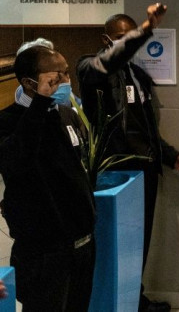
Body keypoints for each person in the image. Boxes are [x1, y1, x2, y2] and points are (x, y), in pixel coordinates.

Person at [77, 3, 179, 312]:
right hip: (116, 172)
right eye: (121, 37)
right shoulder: (91, 70)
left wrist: (169, 156)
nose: (129, 42)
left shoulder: (138, 74)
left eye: (132, 36)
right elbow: (110, 61)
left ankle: (135, 299)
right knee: (118, 242)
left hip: (144, 168)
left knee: (139, 240)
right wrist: (145, 30)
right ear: (106, 40)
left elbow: (145, 128)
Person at [0, 45, 96, 310]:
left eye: (66, 74)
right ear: (30, 84)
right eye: (57, 78)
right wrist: (40, 104)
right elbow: (17, 160)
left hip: (80, 244)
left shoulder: (64, 113)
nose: (66, 82)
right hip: (43, 253)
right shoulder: (7, 122)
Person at [14, 38, 81, 108]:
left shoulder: (64, 90)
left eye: (66, 72)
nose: (66, 81)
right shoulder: (23, 99)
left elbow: (78, 104)